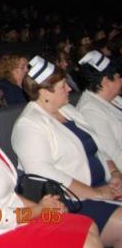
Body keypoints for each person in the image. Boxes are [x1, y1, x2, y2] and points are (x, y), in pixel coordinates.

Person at [0, 79, 99, 248]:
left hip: (15, 217)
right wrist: (40, 210)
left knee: (87, 225)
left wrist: (44, 207)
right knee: (87, 241)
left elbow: (9, 194)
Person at [12, 56, 122, 246]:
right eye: (63, 86)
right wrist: (95, 193)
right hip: (71, 200)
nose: (69, 89)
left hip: (102, 186)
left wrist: (114, 173)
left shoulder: (68, 110)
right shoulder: (29, 124)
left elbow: (98, 147)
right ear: (45, 92)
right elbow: (44, 172)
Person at [76, 50, 122, 170]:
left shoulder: (113, 98)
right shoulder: (90, 111)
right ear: (105, 81)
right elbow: (113, 156)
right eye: (119, 77)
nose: (121, 80)